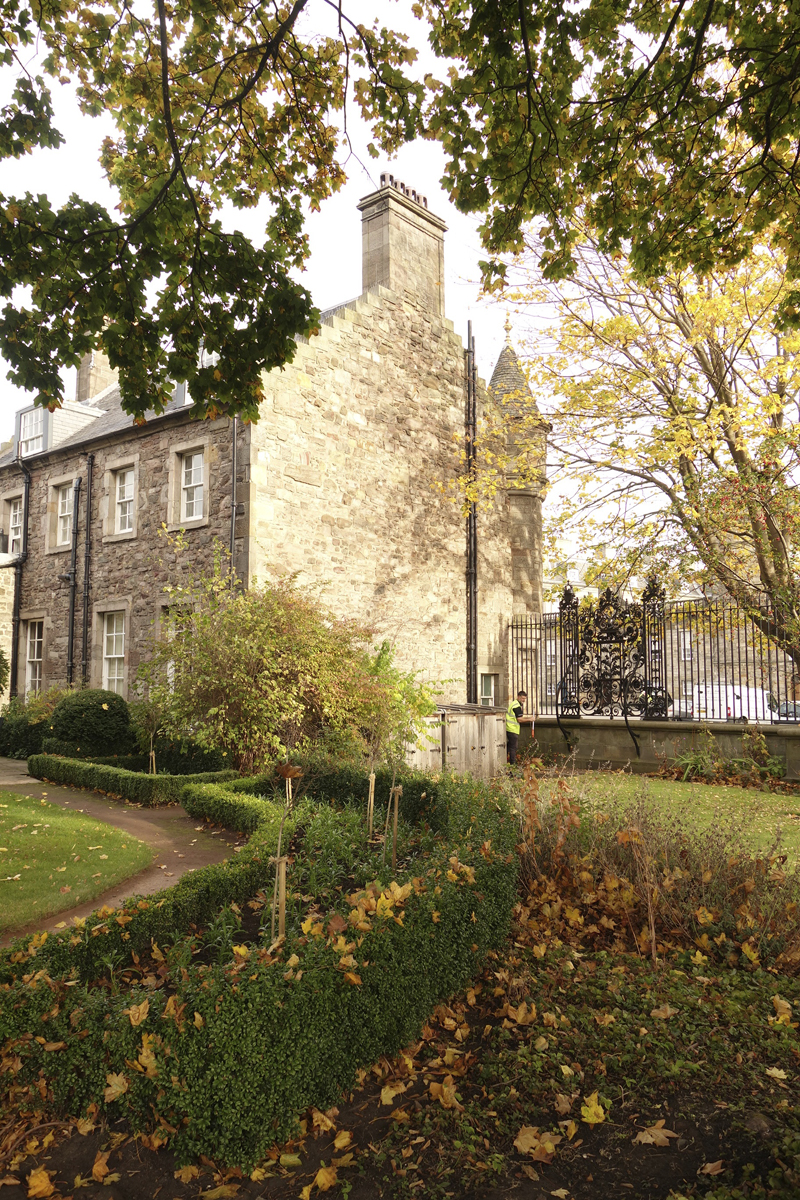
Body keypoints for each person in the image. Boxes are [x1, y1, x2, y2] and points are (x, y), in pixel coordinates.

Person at [506, 690, 527, 765]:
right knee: (513, 748)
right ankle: (512, 765)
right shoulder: (516, 706)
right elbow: (519, 719)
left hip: (510, 728)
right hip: (512, 729)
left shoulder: (514, 704)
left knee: (509, 747)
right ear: (518, 697)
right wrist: (530, 719)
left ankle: (505, 762)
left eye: (524, 699)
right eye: (522, 698)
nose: (523, 700)